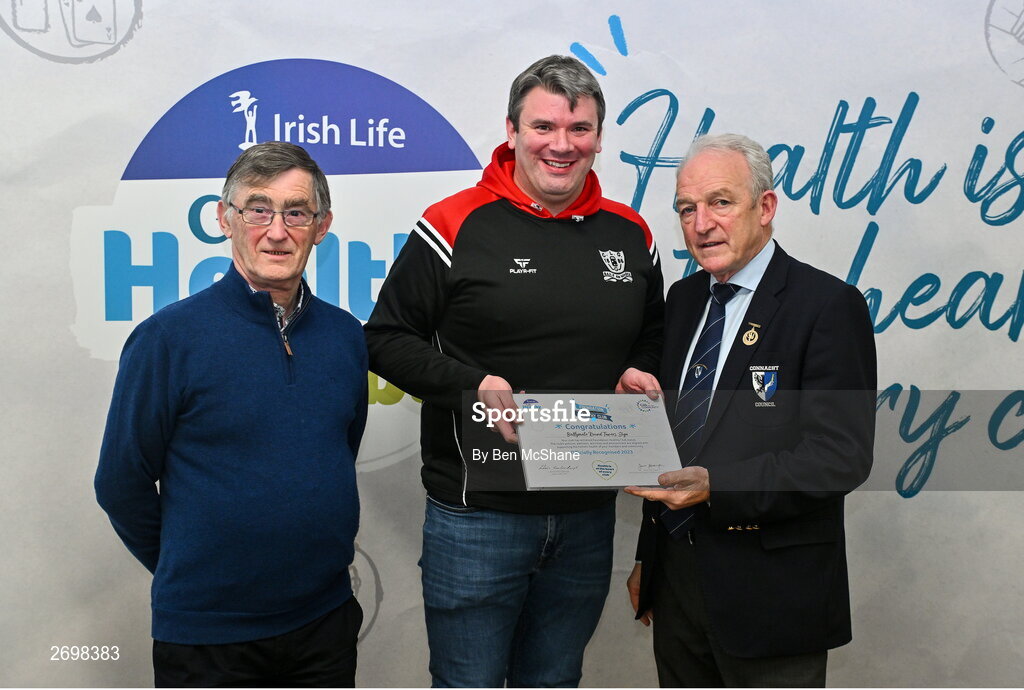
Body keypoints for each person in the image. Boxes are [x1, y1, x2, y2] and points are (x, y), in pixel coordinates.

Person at [364, 55, 663, 687]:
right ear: (511, 130)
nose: (562, 144)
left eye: (579, 129)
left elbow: (654, 336)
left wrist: (641, 369)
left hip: (587, 515)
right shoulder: (452, 223)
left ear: (600, 138)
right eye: (544, 126)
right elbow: (387, 338)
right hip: (479, 515)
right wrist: (471, 385)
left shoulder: (633, 233)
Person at [95, 142, 367, 687]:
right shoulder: (167, 340)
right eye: (257, 210)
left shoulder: (346, 336)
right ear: (224, 219)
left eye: (296, 212)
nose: (276, 230)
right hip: (208, 635)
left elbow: (339, 450)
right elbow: (120, 483)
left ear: (321, 226)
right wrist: (197, 567)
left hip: (324, 622)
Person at [625, 133, 876, 687]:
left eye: (720, 202)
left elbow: (841, 458)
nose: (701, 223)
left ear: (765, 207)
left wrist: (718, 485)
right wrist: (650, 558)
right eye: (686, 209)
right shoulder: (684, 302)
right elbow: (676, 441)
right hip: (679, 588)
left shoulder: (828, 306)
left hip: (773, 600)